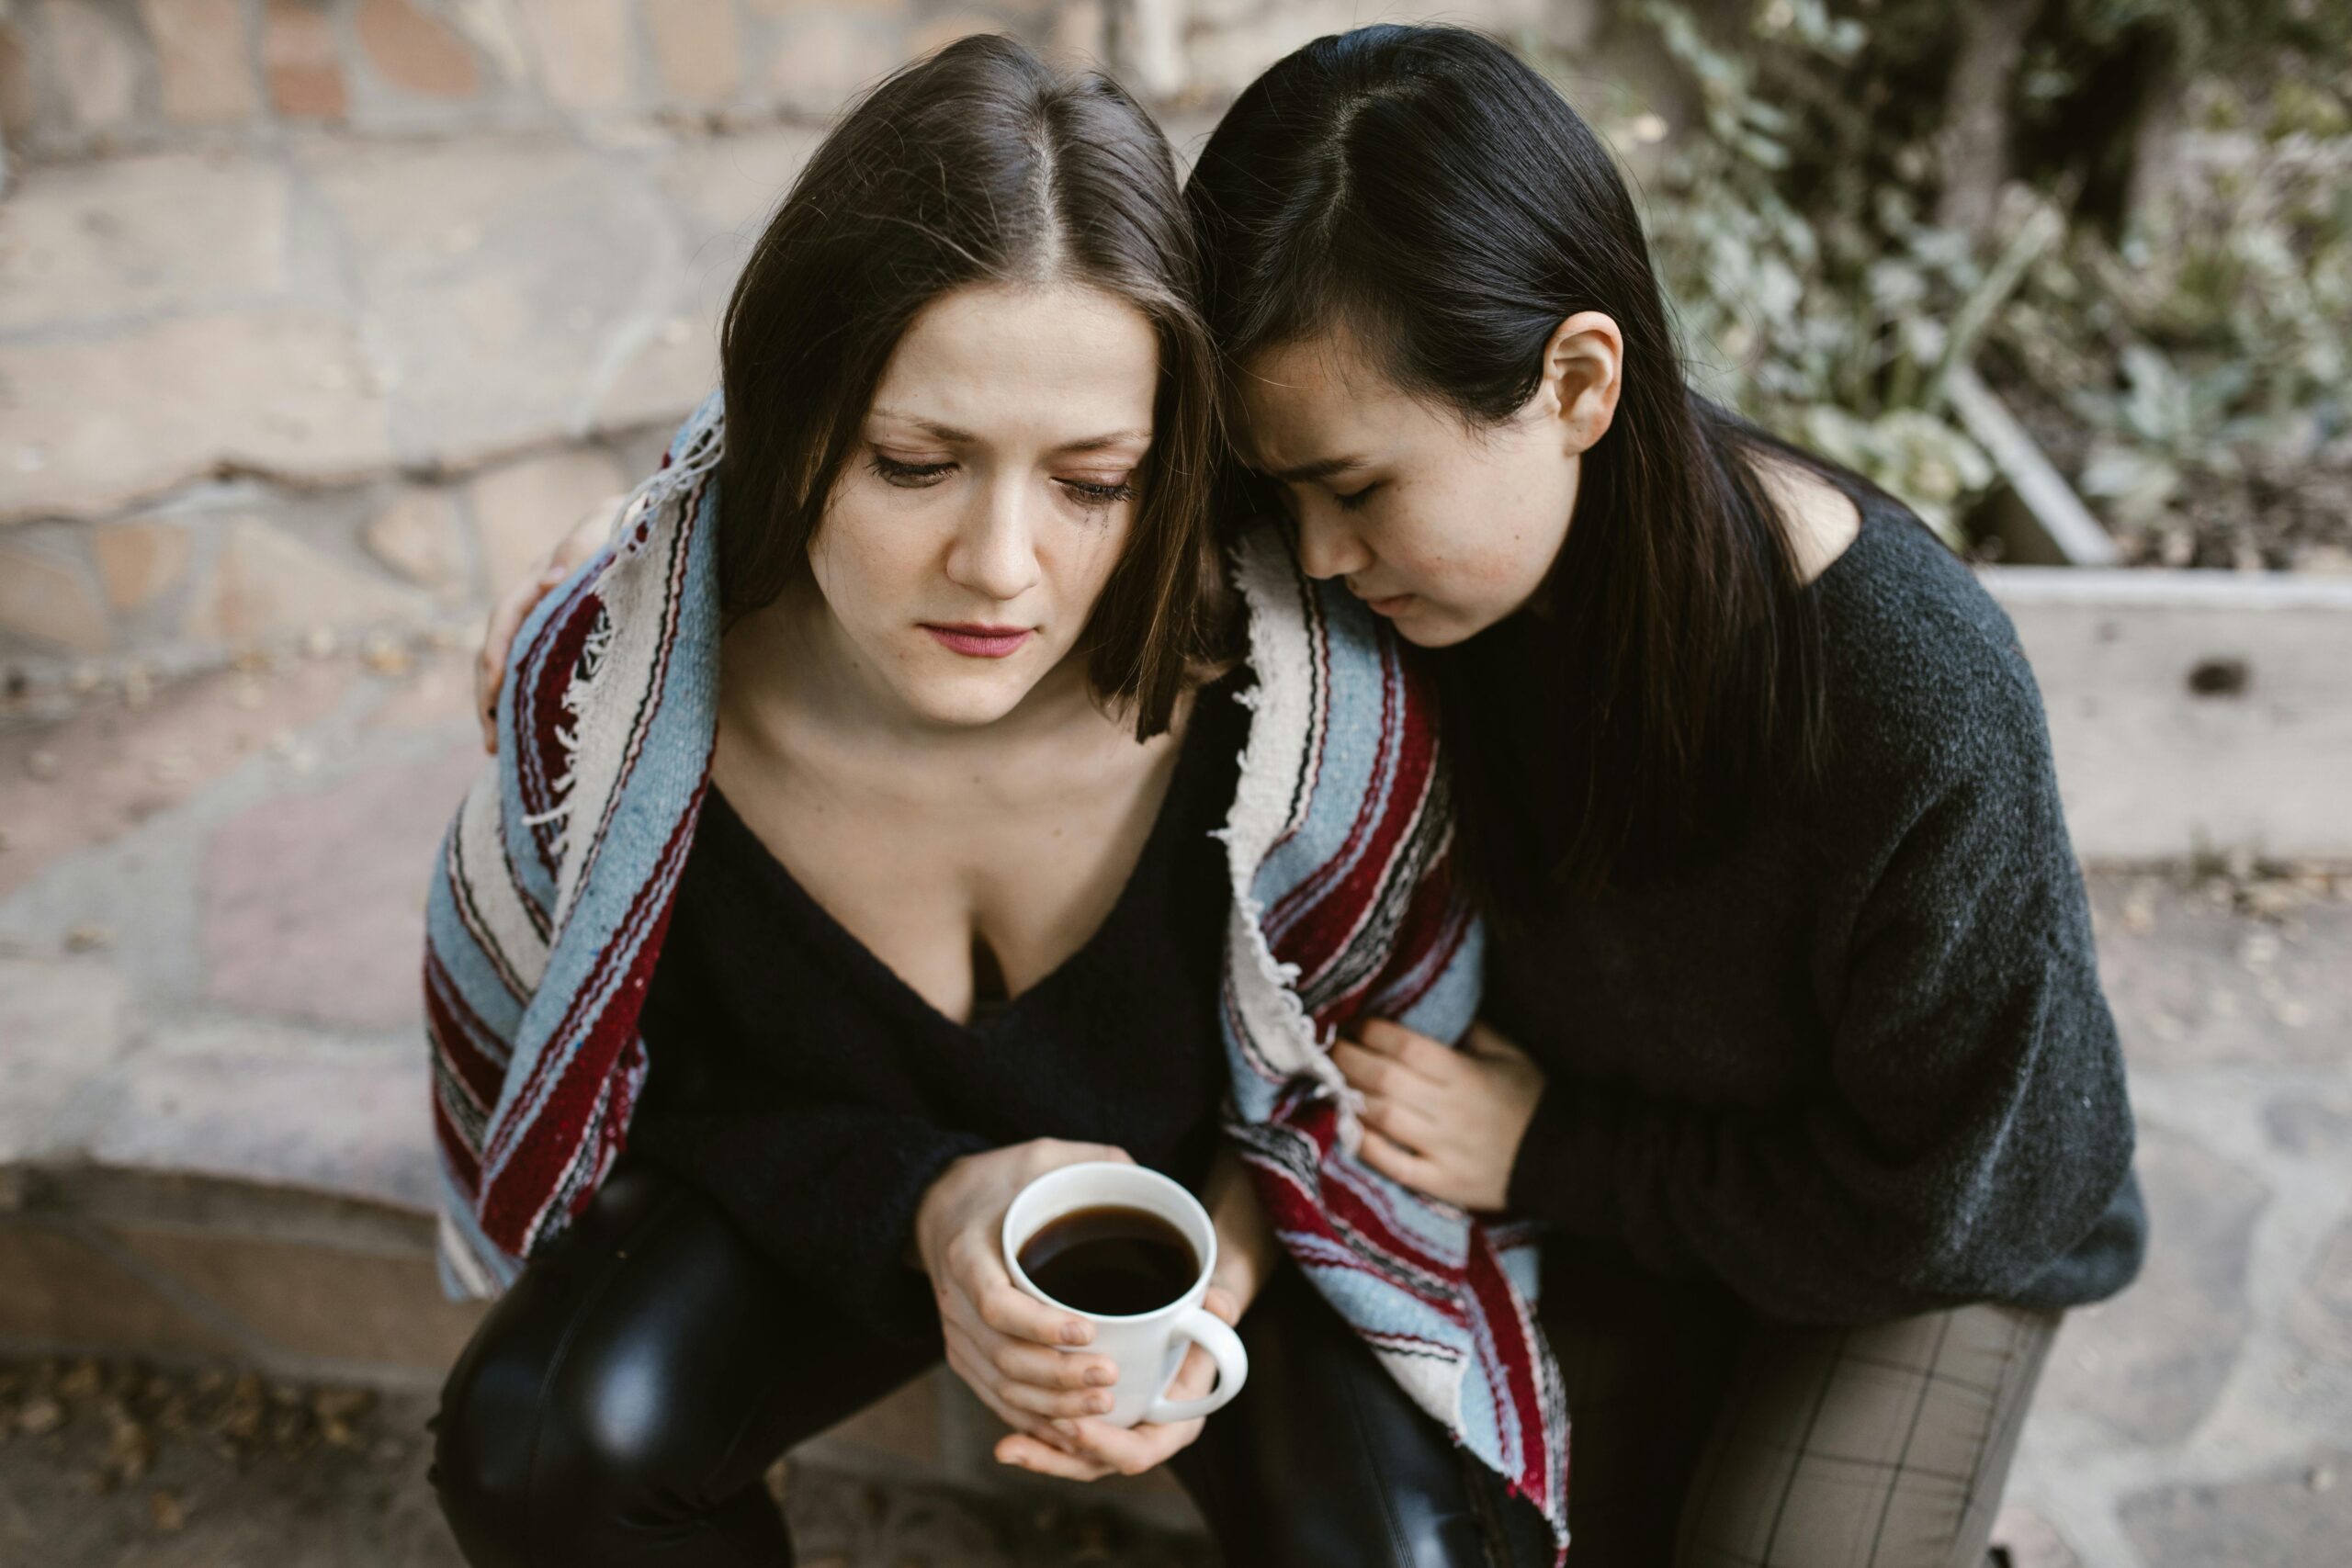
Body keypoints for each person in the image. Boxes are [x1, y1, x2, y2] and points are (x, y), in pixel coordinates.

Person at [429, 35, 1555, 1568]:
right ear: (788, 419)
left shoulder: (1304, 708)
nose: (1002, 569)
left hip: (1221, 1228)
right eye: (914, 462)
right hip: (818, 1198)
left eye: (1094, 482)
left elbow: (1365, 1080)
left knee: (1409, 1552)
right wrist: (929, 1207)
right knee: (541, 1442)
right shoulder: (620, 704)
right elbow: (629, 1100)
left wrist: (1216, 1275)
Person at [1181, 24, 2149, 1567]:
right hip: (1615, 1173)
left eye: (1357, 489)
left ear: (1575, 378)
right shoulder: (1404, 611)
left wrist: (1558, 1153)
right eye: (1274, 491)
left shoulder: (1914, 695)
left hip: (1919, 1232)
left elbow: (1941, 1200)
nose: (1312, 561)